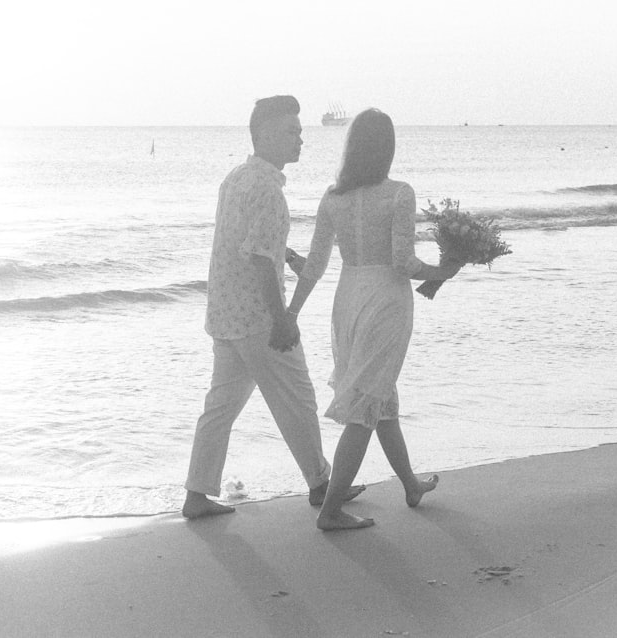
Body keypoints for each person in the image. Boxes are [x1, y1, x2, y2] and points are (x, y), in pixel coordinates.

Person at [182, 95, 364, 519]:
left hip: (224, 312)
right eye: (291, 131)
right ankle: (321, 484)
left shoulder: (237, 178)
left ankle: (196, 493)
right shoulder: (268, 190)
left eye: (300, 131)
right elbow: (260, 259)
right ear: (264, 134)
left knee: (221, 406)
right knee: (297, 398)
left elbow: (247, 240)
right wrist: (282, 318)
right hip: (257, 317)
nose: (300, 139)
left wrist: (287, 253)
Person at [285, 108, 462, 530]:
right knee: (366, 404)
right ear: (388, 148)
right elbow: (402, 262)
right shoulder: (400, 193)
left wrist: (291, 312)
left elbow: (315, 266)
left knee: (381, 397)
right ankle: (330, 512)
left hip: (348, 299)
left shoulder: (333, 197)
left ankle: (411, 485)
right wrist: (443, 272)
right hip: (385, 301)